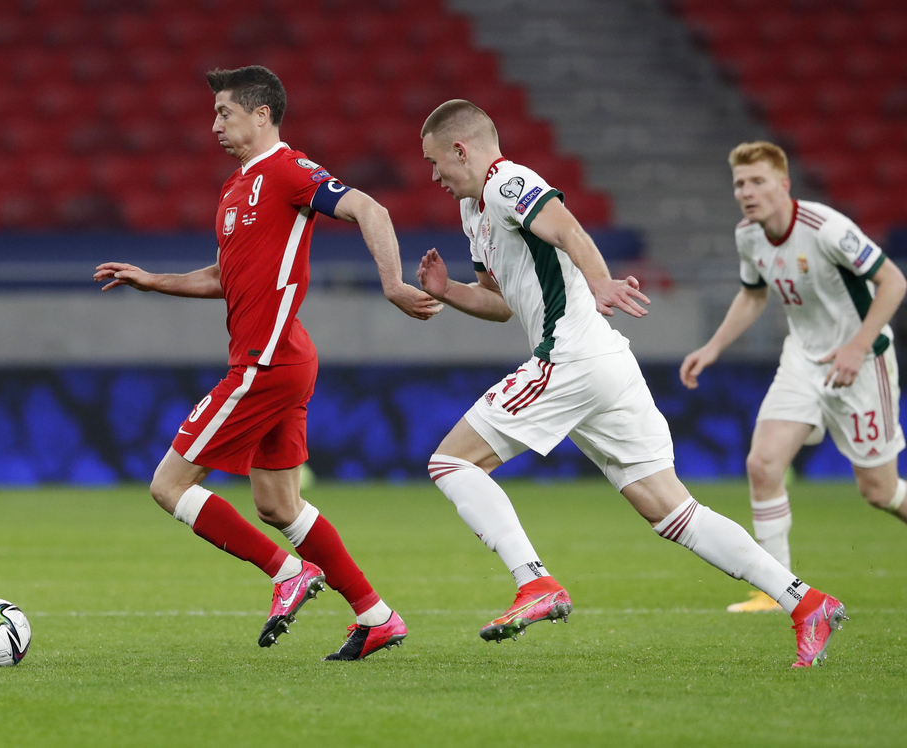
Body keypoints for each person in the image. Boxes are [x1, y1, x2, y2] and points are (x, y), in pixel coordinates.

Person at [415, 101, 844, 667]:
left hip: (570, 357)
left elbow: (567, 228)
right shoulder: (474, 212)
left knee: (451, 462)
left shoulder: (506, 181)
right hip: (602, 365)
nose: (433, 175)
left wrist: (600, 283)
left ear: (461, 149)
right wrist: (447, 291)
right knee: (672, 512)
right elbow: (499, 303)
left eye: (435, 162)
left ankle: (534, 581)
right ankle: (806, 602)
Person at [93, 66, 440, 660]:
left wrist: (392, 283)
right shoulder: (234, 188)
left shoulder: (288, 169)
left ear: (262, 115)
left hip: (267, 360)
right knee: (278, 504)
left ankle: (288, 572)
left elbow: (371, 209)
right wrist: (154, 280)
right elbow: (223, 276)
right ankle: (376, 616)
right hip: (283, 358)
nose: (214, 125)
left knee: (168, 485)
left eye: (224, 112)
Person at [681, 141, 907, 613]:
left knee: (880, 492)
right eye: (740, 184)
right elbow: (753, 295)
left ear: (784, 185)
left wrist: (857, 346)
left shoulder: (826, 228)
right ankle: (776, 590)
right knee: (763, 465)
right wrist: (713, 347)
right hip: (802, 361)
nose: (746, 192)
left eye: (757, 181)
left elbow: (894, 281)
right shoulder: (749, 235)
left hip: (862, 364)